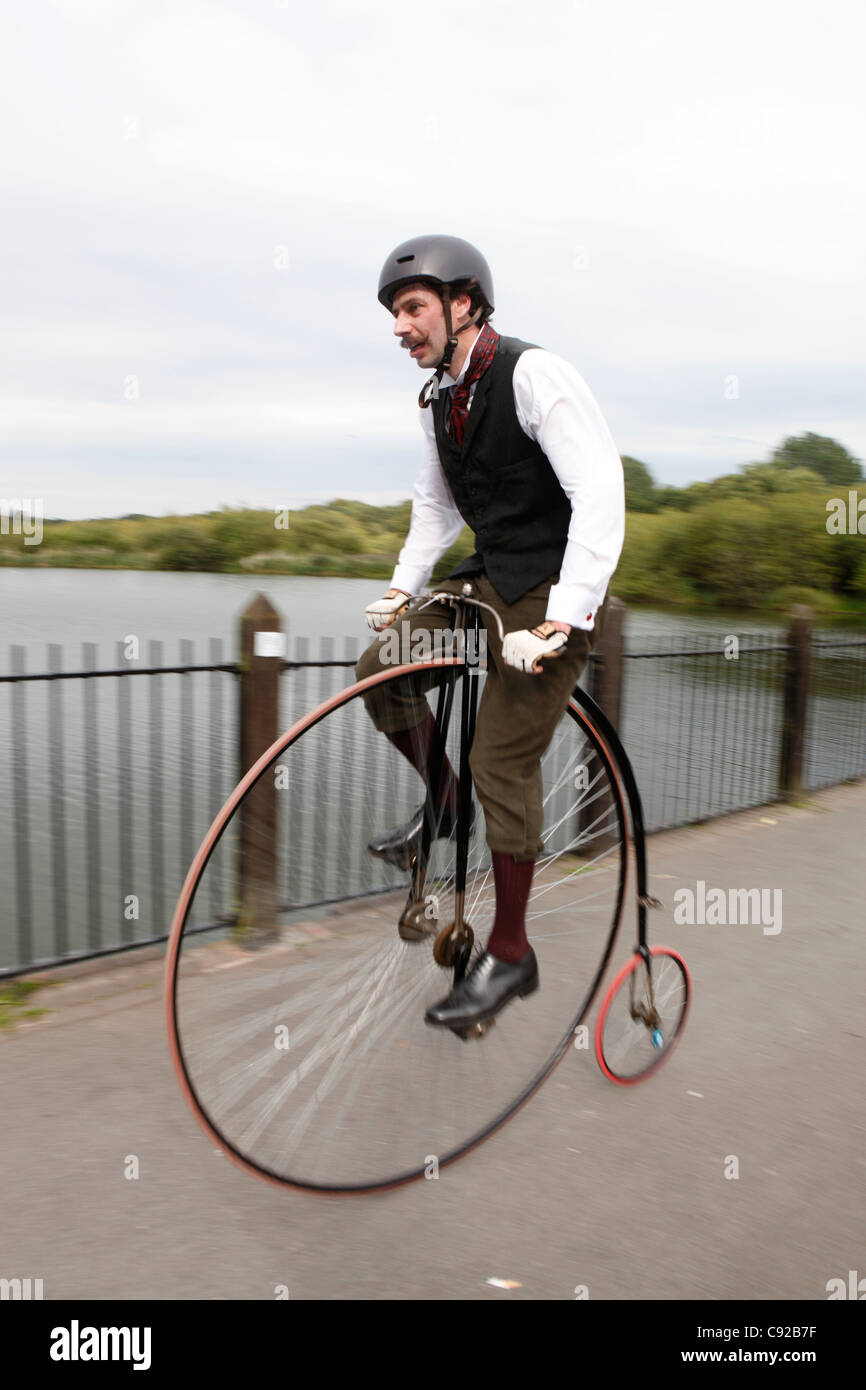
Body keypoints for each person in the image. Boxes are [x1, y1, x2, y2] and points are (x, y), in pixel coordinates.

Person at [355, 233, 624, 1031]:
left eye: (411, 308)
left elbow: (600, 492)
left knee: (499, 759)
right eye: (394, 314)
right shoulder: (441, 398)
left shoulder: (535, 374)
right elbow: (436, 508)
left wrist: (564, 617)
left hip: (548, 592)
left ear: (463, 303)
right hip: (484, 579)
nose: (400, 327)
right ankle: (445, 806)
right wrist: (404, 590)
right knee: (383, 667)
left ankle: (512, 954)